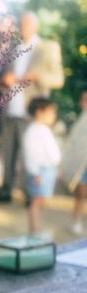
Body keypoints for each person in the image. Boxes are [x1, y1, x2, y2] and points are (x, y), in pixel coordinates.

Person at [0, 11, 64, 202]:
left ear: (36, 26)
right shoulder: (12, 49)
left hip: (32, 112)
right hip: (10, 109)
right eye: (21, 23)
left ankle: (30, 193)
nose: (23, 27)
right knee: (7, 154)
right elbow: (0, 81)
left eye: (27, 24)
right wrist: (4, 81)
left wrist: (37, 77)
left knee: (30, 156)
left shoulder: (46, 48)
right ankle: (5, 192)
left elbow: (58, 79)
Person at [22, 97, 60, 234]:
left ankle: (38, 228)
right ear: (39, 112)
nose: (54, 116)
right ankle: (35, 230)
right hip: (39, 172)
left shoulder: (43, 129)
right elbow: (31, 154)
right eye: (51, 112)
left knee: (40, 202)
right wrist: (35, 173)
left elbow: (50, 151)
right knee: (36, 203)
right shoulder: (33, 131)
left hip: (47, 170)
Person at [61, 90, 87, 235]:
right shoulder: (81, 120)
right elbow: (74, 143)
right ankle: (77, 221)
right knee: (80, 194)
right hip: (82, 166)